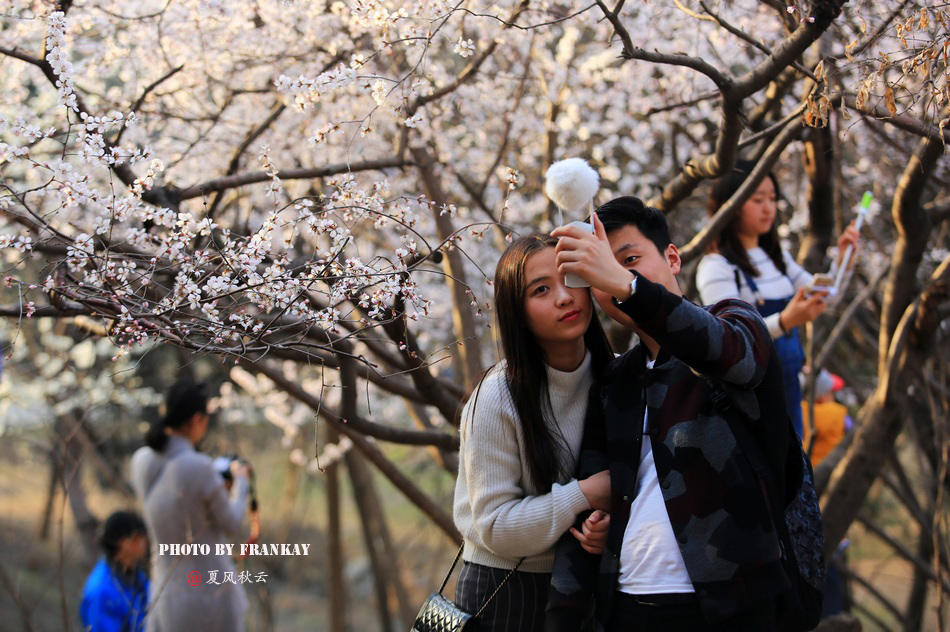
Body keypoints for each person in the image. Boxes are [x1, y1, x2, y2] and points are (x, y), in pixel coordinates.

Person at [547, 197, 801, 631]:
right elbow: (587, 506)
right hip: (628, 606)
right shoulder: (615, 381)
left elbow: (728, 357)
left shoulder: (737, 325)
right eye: (601, 273)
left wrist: (628, 286)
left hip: (733, 606)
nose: (615, 277)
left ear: (672, 257)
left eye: (629, 260)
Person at [452, 234, 614, 631]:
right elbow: (493, 525)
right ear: (517, 311)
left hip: (590, 582)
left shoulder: (619, 378)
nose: (564, 297)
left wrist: (608, 525)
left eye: (572, 279)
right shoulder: (497, 396)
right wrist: (586, 494)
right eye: (541, 290)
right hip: (508, 590)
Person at [696, 160, 859, 436]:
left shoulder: (777, 258)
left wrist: (845, 262)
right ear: (730, 204)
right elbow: (729, 341)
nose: (768, 207)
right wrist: (785, 322)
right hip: (750, 398)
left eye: (772, 198)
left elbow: (828, 298)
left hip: (789, 389)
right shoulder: (717, 267)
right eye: (757, 199)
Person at [130, 380, 249, 632]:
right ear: (197, 419)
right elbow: (233, 523)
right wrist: (241, 485)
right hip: (208, 592)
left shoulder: (141, 460)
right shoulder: (199, 466)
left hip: (165, 590)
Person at [80, 510, 150, 632]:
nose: (145, 543)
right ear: (125, 543)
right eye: (140, 538)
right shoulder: (102, 590)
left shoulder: (136, 575)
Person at [801, 369, 852, 467]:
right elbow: (852, 431)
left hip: (808, 470)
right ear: (822, 395)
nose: (833, 396)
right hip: (832, 468)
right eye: (831, 392)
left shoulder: (800, 411)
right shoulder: (839, 413)